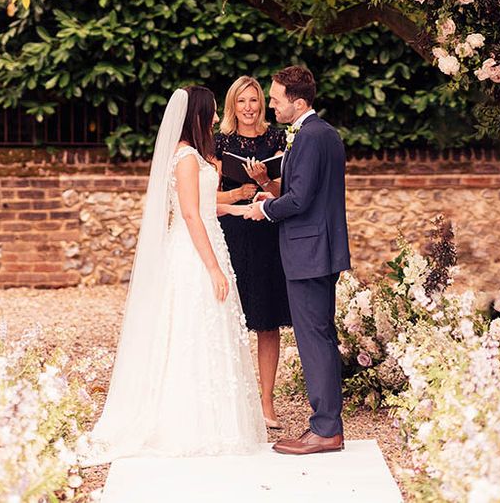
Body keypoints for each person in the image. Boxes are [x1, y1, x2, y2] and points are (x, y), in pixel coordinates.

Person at [86, 86, 266, 464]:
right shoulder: (185, 157)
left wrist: (239, 209)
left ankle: (217, 421)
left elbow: (205, 208)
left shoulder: (198, 156)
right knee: (192, 327)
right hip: (194, 254)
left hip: (209, 241)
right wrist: (214, 267)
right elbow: (188, 215)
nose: (217, 119)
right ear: (198, 115)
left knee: (212, 328)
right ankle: (187, 422)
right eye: (213, 113)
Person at [244, 66, 351, 456]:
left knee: (314, 340)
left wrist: (266, 210)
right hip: (318, 250)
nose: (270, 105)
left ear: (299, 102)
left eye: (275, 100)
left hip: (309, 252)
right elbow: (307, 192)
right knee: (319, 337)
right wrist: (269, 196)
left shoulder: (309, 137)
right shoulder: (322, 134)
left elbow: (300, 199)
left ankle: (325, 429)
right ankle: (325, 425)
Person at [214, 76, 292, 430]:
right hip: (232, 232)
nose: (249, 108)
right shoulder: (219, 143)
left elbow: (283, 191)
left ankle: (266, 402)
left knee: (266, 320)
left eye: (255, 101)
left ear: (262, 105)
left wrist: (262, 182)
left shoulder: (276, 138)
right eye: (242, 101)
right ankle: (228, 402)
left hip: (266, 233)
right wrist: (237, 192)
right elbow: (206, 196)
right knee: (229, 318)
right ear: (232, 106)